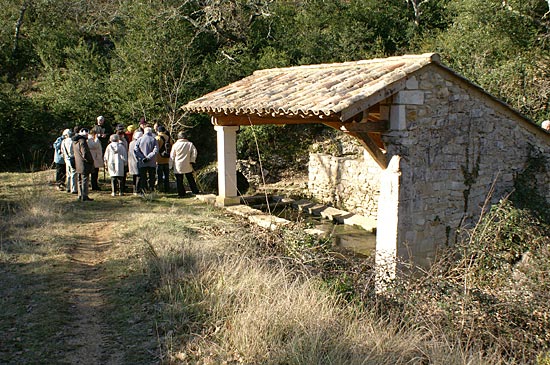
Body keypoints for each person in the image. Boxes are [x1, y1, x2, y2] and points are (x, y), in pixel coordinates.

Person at [170, 131, 199, 198]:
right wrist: (192, 160)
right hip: (187, 163)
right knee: (190, 178)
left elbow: (172, 156)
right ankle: (195, 190)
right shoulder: (190, 144)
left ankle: (181, 193)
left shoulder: (175, 145)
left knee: (179, 180)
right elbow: (195, 152)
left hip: (178, 165)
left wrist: (170, 165)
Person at [134, 127, 159, 194]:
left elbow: (136, 150)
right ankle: (151, 190)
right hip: (151, 162)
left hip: (142, 162)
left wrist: (142, 157)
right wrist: (149, 157)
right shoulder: (154, 139)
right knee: (152, 177)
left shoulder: (139, 139)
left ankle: (143, 190)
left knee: (143, 177)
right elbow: (156, 150)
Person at [72, 128, 94, 201]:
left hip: (77, 163)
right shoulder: (83, 142)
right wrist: (90, 160)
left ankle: (80, 194)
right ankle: (84, 196)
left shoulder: (75, 142)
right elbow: (85, 153)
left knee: (79, 180)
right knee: (84, 179)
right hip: (84, 163)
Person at [61, 129, 78, 194]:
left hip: (66, 159)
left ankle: (68, 187)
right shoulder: (72, 141)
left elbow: (62, 152)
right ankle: (74, 189)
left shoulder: (63, 142)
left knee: (68, 174)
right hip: (72, 158)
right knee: (74, 173)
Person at [156, 126, 171, 192]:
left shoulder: (157, 138)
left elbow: (156, 149)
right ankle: (167, 189)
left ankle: (160, 189)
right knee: (166, 176)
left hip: (159, 159)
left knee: (160, 176)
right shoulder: (169, 138)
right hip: (167, 159)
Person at [128, 131, 143, 195]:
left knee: (134, 176)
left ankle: (134, 190)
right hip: (137, 161)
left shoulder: (131, 143)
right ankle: (137, 190)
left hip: (131, 161)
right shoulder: (139, 143)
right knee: (138, 176)